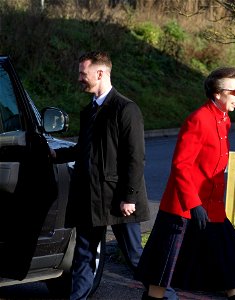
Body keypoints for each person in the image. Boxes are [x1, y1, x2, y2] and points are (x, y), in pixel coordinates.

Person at [136, 67, 235, 300]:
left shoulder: (225, 121)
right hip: (183, 211)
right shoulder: (198, 119)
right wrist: (194, 204)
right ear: (217, 93)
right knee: (160, 279)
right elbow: (181, 165)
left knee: (233, 273)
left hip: (212, 212)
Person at [51, 51, 150, 300]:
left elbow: (135, 157)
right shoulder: (89, 111)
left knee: (135, 256)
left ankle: (164, 295)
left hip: (119, 200)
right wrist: (54, 155)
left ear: (100, 73)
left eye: (82, 74)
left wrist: (129, 197)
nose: (79, 78)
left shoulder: (126, 109)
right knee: (83, 255)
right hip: (90, 198)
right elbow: (84, 150)